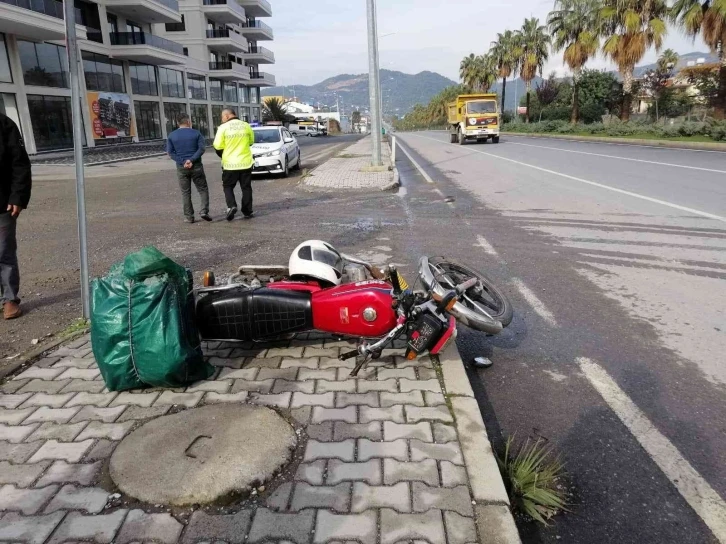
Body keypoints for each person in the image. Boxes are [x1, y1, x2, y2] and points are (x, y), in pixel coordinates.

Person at [0, 113, 31, 320]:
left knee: (4, 251)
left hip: (2, 202)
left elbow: (20, 163)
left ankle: (9, 299)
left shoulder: (4, 125)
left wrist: (17, 196)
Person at [166, 114, 211, 224]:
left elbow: (170, 153)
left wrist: (183, 161)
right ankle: (204, 211)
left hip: (182, 168)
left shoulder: (172, 135)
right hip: (196, 166)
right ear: (189, 122)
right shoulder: (196, 133)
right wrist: (191, 160)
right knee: (202, 189)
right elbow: (201, 149)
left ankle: (189, 217)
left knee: (186, 192)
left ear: (178, 123)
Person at [213, 108, 255, 221]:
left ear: (227, 116)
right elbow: (251, 141)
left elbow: (217, 146)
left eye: (222, 117)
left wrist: (224, 154)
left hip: (230, 164)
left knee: (228, 187)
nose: (222, 120)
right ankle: (247, 211)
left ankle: (232, 206)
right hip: (246, 163)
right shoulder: (246, 125)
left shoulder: (223, 128)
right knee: (246, 188)